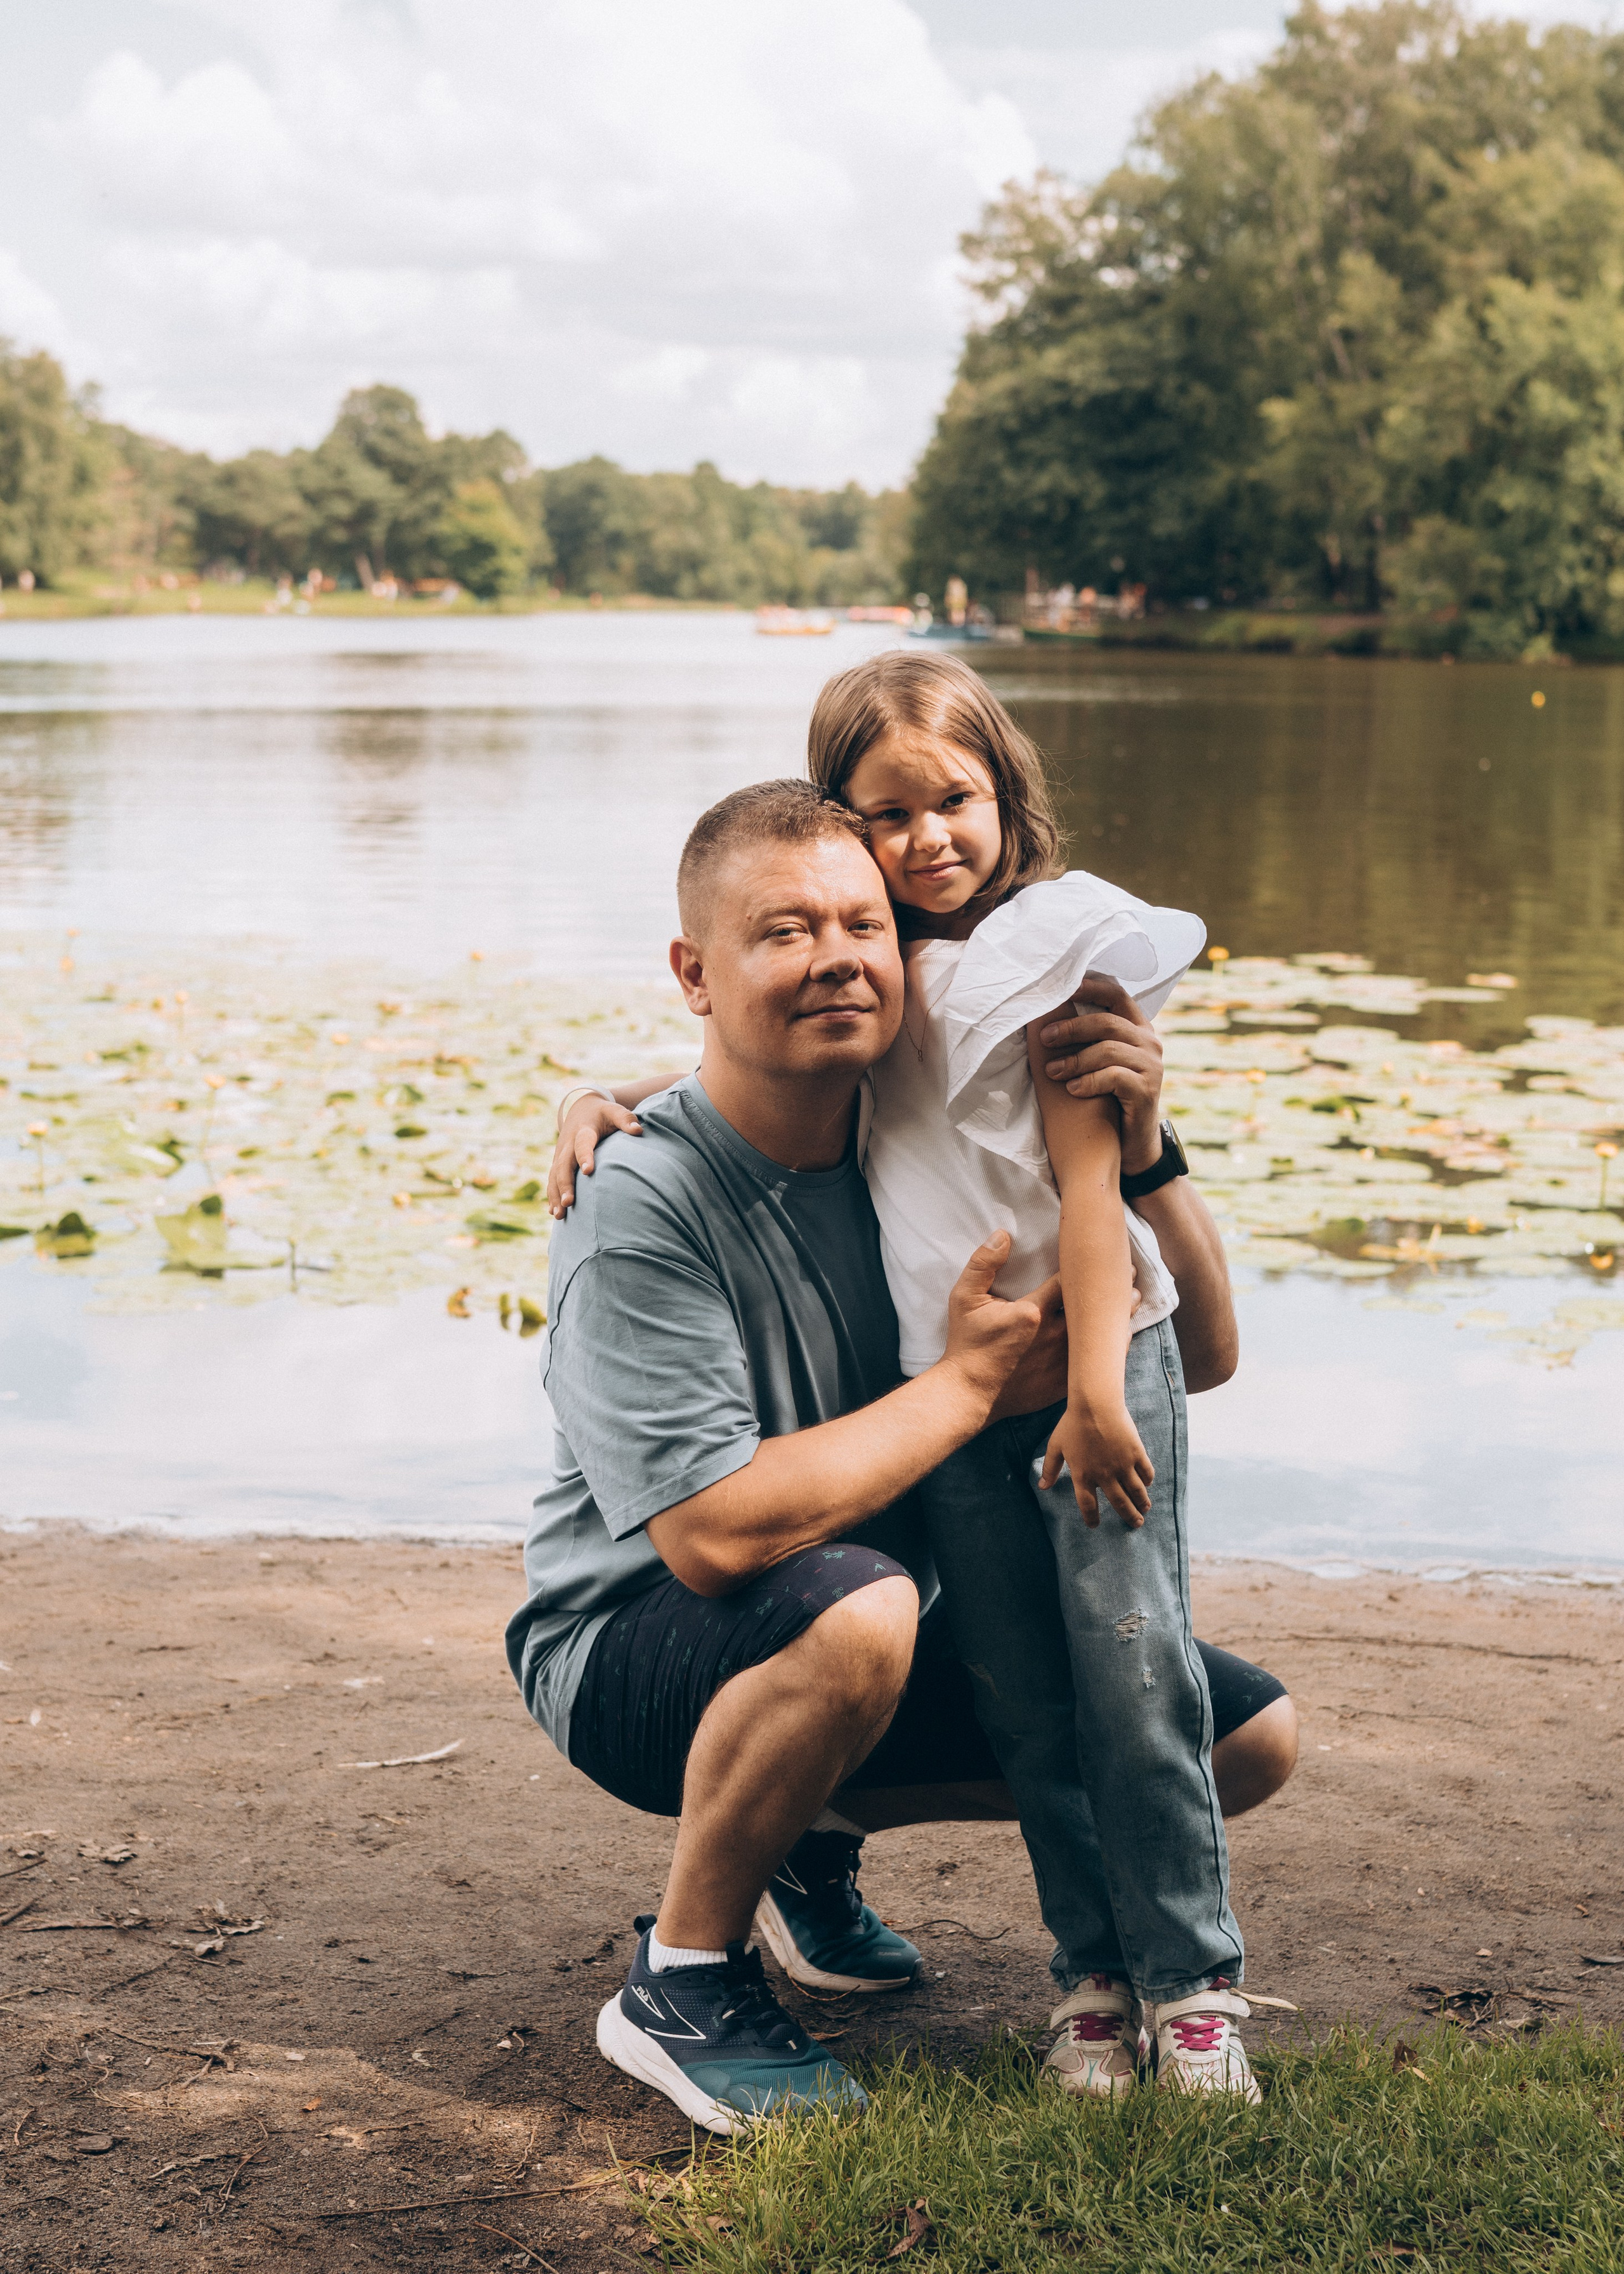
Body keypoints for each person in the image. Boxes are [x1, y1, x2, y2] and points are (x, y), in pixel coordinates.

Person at [519, 779, 1296, 2136]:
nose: (834, 958)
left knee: (1233, 1733)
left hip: (839, 1613)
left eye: (861, 925)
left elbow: (1210, 1349)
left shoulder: (903, 1133)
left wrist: (1143, 1138)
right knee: (861, 1608)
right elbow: (712, 1535)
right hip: (634, 1637)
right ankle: (683, 1978)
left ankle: (803, 1836)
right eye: (784, 931)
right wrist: (969, 1385)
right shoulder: (638, 1193)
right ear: (694, 975)